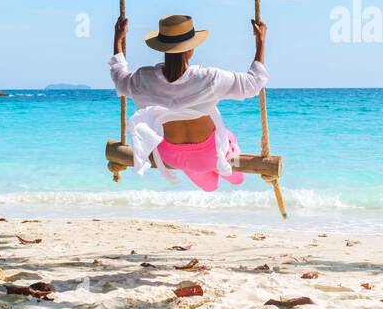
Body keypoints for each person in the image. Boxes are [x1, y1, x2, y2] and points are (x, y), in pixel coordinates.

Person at [110, 14, 267, 190]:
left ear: (163, 48)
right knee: (229, 143)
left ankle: (208, 180)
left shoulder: (142, 79)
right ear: (191, 49)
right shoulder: (210, 78)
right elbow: (254, 84)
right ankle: (233, 174)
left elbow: (119, 79)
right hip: (210, 155)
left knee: (208, 183)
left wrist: (118, 40)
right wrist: (261, 43)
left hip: (170, 155)